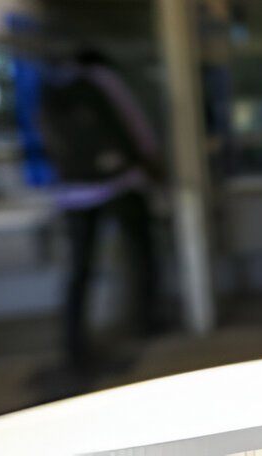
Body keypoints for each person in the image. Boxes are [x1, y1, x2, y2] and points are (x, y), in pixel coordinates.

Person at [38, 49, 165, 370]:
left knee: (80, 268)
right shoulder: (103, 80)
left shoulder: (53, 86)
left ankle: (74, 342)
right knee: (141, 253)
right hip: (119, 182)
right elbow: (134, 125)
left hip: (72, 190)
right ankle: (144, 322)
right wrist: (150, 165)